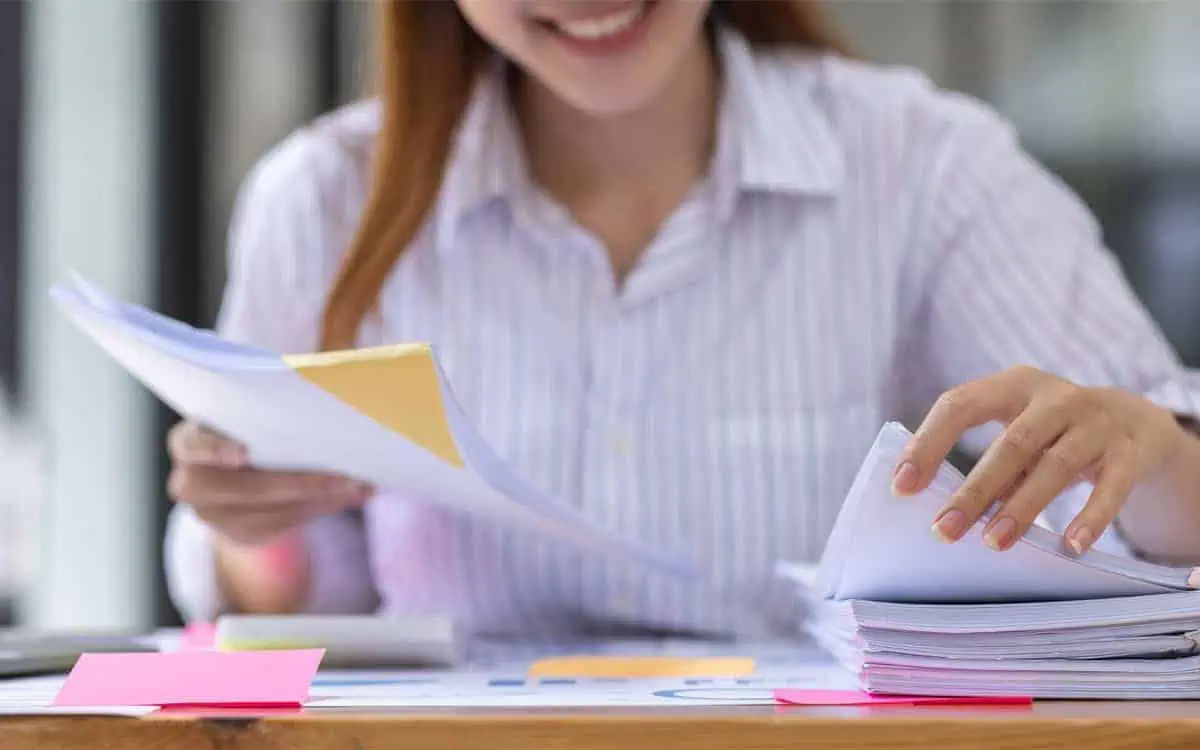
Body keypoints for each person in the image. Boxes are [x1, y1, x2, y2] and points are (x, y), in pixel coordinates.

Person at [164, 0, 1200, 637]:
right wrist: (258, 532)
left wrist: (1150, 456)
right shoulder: (323, 198)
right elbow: (297, 608)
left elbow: (1170, 514)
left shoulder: (925, 167)